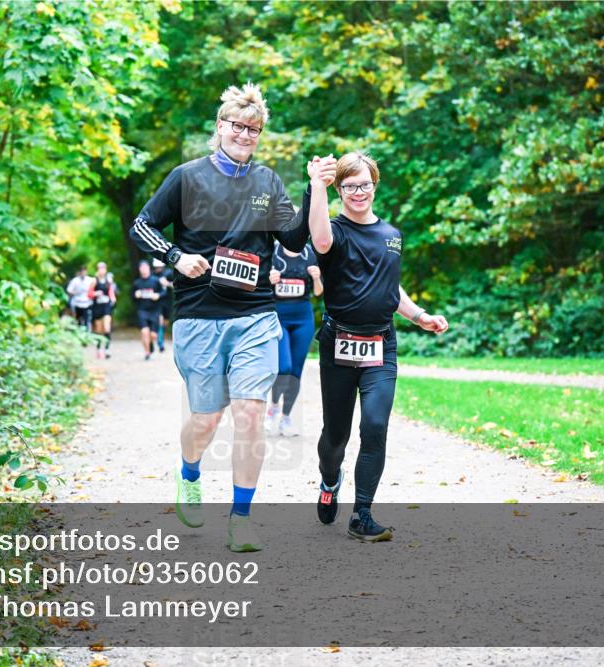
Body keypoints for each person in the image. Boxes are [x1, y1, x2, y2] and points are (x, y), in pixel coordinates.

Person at [128, 82, 310, 552]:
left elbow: (292, 240)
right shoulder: (186, 177)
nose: (245, 135)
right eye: (237, 126)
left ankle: (241, 518)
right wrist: (176, 257)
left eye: (253, 129)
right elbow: (141, 227)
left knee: (250, 414)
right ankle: (189, 473)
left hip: (255, 313)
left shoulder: (268, 182)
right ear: (220, 126)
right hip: (199, 314)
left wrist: (315, 190)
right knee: (207, 420)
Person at [306, 151, 448, 542]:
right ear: (340, 189)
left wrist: (420, 316)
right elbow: (319, 239)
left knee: (374, 427)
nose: (359, 192)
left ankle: (362, 514)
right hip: (339, 343)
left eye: (365, 184)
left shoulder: (391, 235)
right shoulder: (334, 231)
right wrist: (317, 184)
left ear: (375, 186)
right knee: (335, 437)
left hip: (381, 345)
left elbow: (390, 287)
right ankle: (329, 480)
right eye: (350, 185)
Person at [266, 241, 323, 436]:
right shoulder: (272, 250)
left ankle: (286, 417)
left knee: (296, 372)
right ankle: (273, 406)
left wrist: (316, 278)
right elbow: (258, 285)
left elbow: (318, 292)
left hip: (303, 319)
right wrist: (269, 279)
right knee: (284, 367)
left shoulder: (309, 252)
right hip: (278, 317)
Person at [132, 260, 163, 360]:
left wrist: (158, 295)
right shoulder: (137, 283)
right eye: (142, 268)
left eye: (145, 267)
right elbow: (132, 297)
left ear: (149, 268)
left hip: (154, 311)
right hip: (142, 311)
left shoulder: (155, 281)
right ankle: (147, 353)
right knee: (144, 332)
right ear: (139, 269)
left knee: (153, 335)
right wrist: (135, 295)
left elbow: (164, 292)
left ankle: (150, 344)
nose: (144, 270)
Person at [89, 262, 116, 359]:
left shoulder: (109, 280)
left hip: (106, 306)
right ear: (97, 269)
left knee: (107, 327)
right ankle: (98, 349)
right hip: (97, 307)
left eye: (103, 268)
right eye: (100, 268)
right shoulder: (94, 280)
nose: (102, 270)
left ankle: (107, 349)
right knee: (99, 330)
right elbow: (89, 294)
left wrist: (113, 298)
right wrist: (95, 293)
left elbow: (110, 292)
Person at [151, 259, 174, 353]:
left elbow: (177, 285)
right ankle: (160, 343)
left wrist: (167, 283)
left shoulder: (169, 273)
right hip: (157, 302)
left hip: (167, 300)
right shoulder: (152, 275)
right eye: (156, 267)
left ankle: (161, 336)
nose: (158, 269)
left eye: (159, 267)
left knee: (165, 322)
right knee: (159, 321)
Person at [66, 266, 94, 332]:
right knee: (77, 319)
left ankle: (87, 332)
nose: (83, 273)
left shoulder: (90, 280)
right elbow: (69, 290)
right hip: (77, 303)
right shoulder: (75, 280)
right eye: (82, 271)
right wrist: (75, 293)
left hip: (87, 303)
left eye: (84, 271)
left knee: (87, 319)